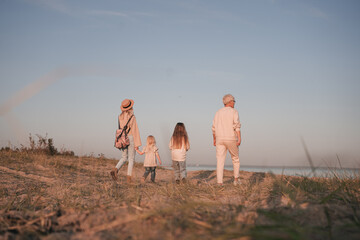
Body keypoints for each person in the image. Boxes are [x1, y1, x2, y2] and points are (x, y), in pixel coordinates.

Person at [212, 94, 242, 186]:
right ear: (230, 102)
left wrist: (214, 139)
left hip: (219, 138)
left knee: (220, 160)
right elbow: (236, 126)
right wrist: (239, 138)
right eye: (234, 101)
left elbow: (213, 128)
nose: (234, 103)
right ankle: (236, 180)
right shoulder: (234, 111)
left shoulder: (218, 112)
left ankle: (219, 182)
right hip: (231, 138)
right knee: (235, 158)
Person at [110, 99, 141, 183]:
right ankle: (128, 178)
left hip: (122, 138)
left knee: (124, 157)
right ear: (130, 107)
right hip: (130, 137)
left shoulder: (120, 116)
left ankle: (115, 169)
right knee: (131, 158)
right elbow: (135, 130)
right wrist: (137, 143)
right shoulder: (132, 117)